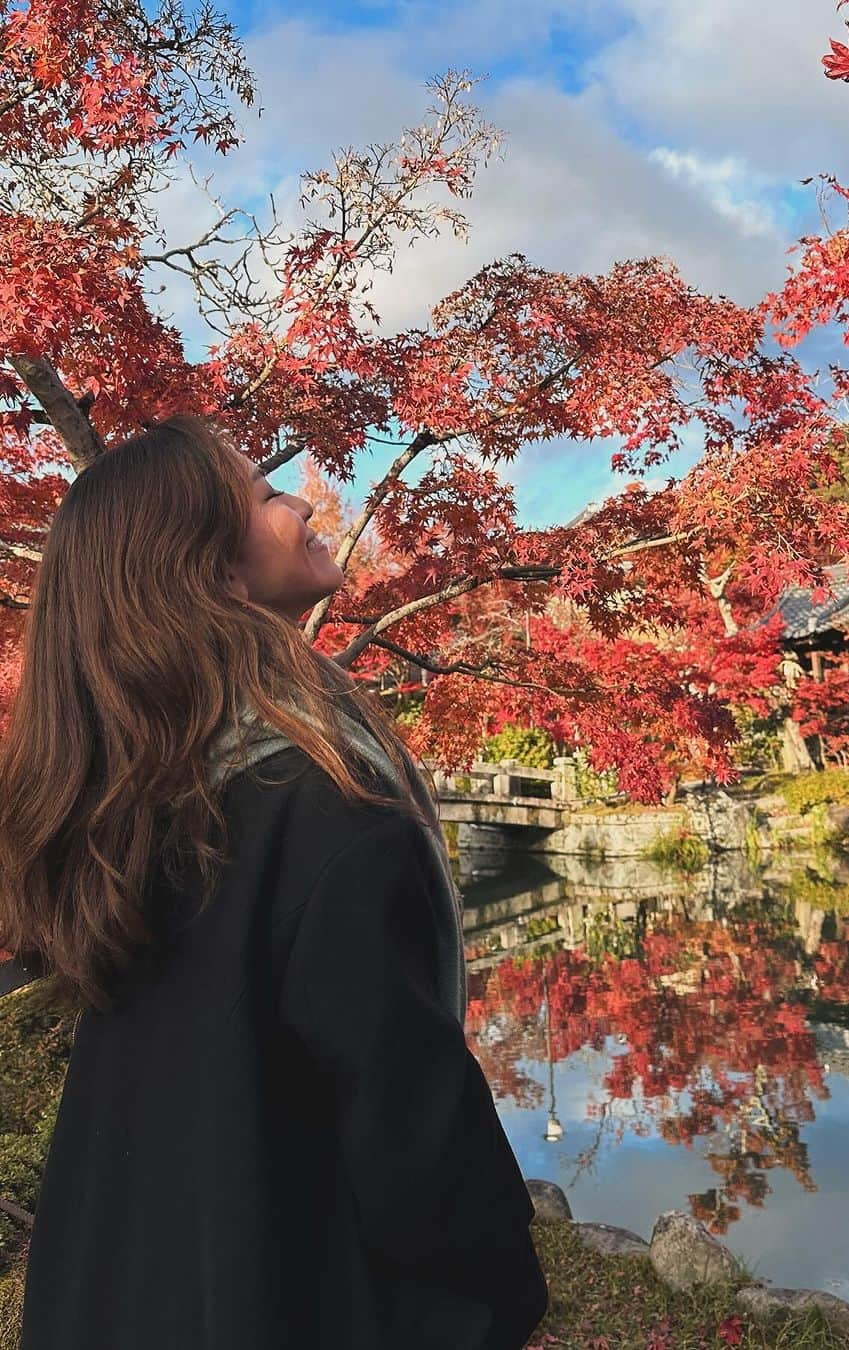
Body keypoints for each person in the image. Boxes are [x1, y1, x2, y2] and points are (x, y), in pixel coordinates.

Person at [0, 415, 548, 1349]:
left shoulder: (132, 805)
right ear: (205, 565)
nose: (300, 500)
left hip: (113, 1281)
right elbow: (407, 1113)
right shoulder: (316, 796)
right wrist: (499, 1298)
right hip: (286, 1286)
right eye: (264, 495)